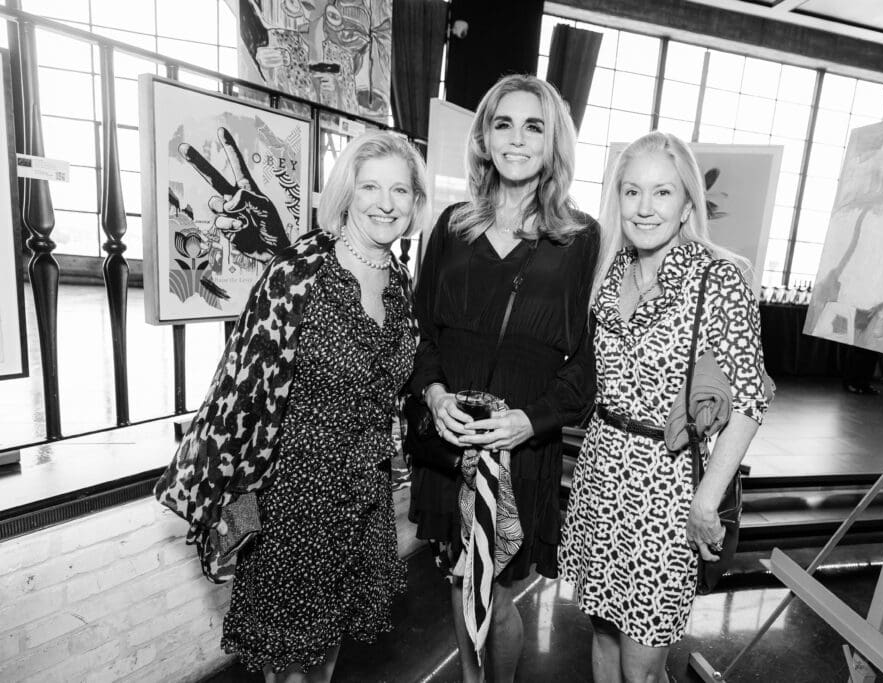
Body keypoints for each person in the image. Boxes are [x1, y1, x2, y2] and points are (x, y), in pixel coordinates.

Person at [154, 130, 431, 682]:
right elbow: (241, 385)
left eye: (400, 191)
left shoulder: (400, 283)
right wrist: (225, 488)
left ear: (415, 203)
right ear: (346, 193)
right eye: (370, 186)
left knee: (327, 647)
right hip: (294, 493)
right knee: (286, 661)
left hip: (364, 493)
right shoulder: (301, 271)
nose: (385, 203)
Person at [559, 131, 773, 683]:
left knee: (644, 657)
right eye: (632, 192)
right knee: (602, 633)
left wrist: (707, 499)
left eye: (661, 193)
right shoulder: (608, 273)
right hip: (601, 470)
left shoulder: (720, 278)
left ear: (685, 205)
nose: (644, 208)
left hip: (668, 484)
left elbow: (749, 401)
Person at [407, 74, 600, 682]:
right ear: (485, 138)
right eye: (503, 124)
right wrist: (434, 396)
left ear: (553, 143)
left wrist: (532, 421)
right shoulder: (453, 226)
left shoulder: (581, 238)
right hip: (452, 441)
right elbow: (421, 332)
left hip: (520, 447)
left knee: (503, 589)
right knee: (461, 575)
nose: (517, 139)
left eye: (533, 125)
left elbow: (588, 363)